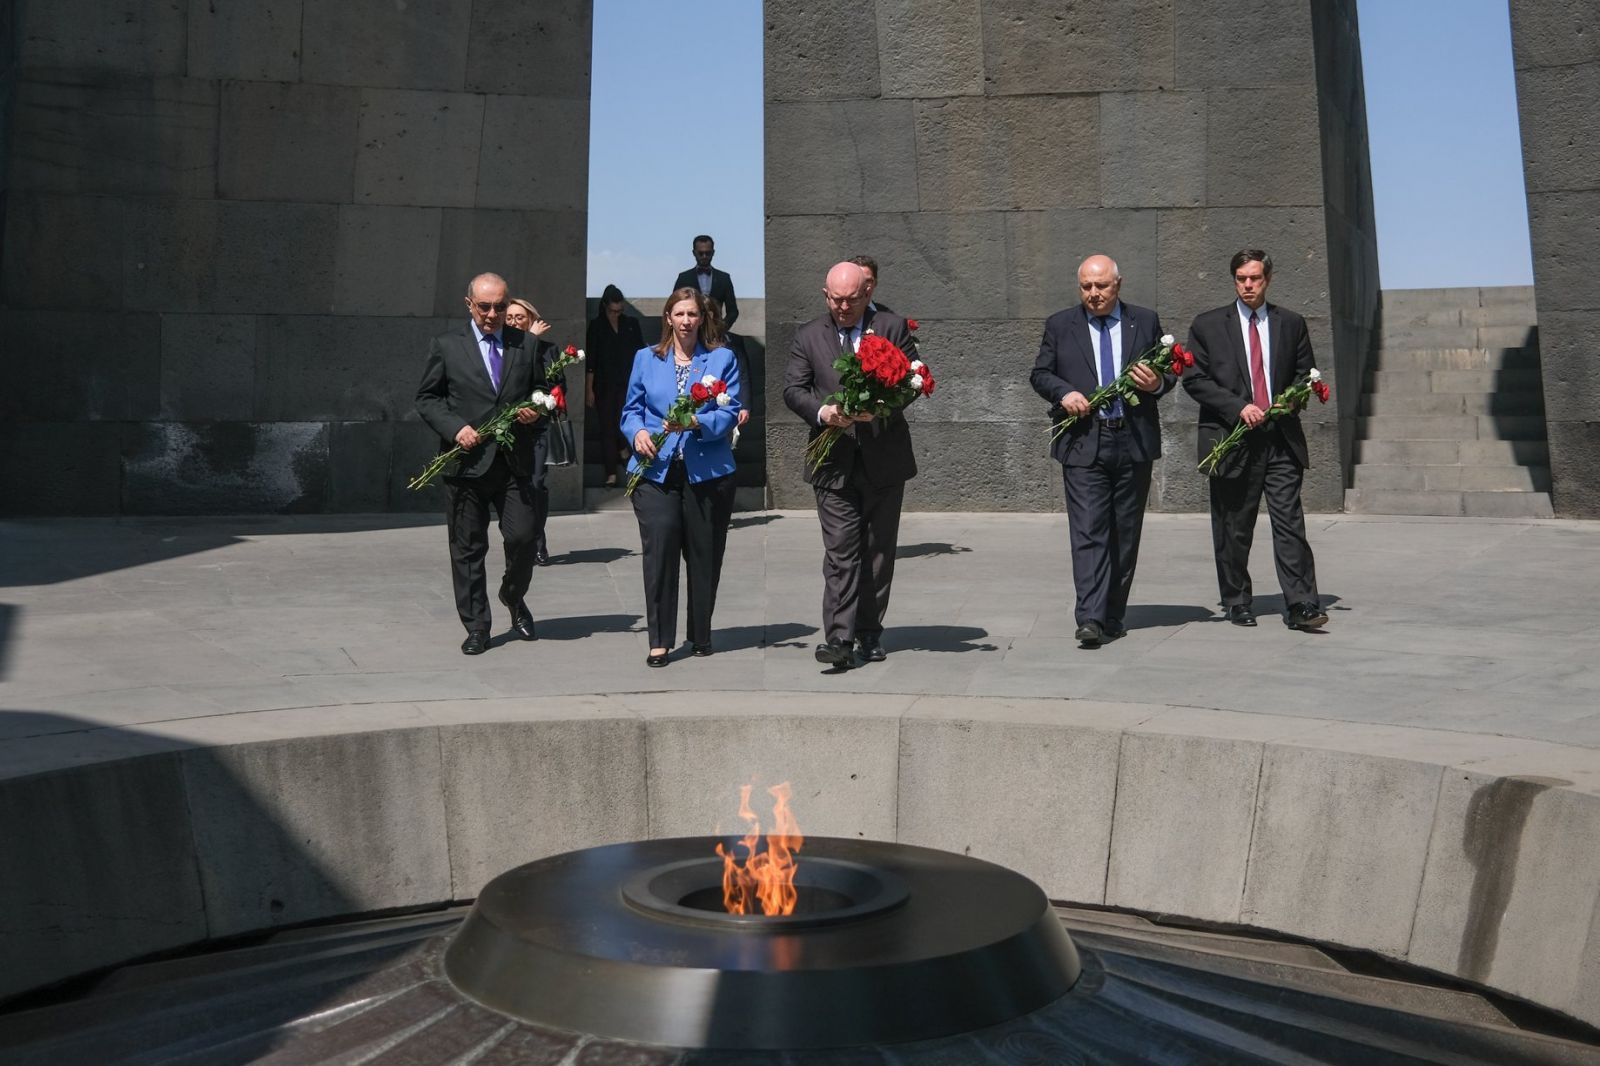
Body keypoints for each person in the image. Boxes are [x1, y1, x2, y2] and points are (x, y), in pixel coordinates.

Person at [1030, 254, 1173, 648]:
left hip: (1133, 439)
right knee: (1089, 530)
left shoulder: (1144, 321)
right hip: (1083, 441)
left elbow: (1171, 373)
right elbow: (1041, 373)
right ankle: (1089, 617)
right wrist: (1065, 393)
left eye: (1101, 286)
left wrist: (1156, 382)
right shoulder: (1061, 325)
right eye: (1086, 287)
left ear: (1118, 284)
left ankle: (1113, 613)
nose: (1093, 294)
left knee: (1125, 533)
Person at [1183, 249, 1328, 631]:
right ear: (1234, 280)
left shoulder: (1291, 323)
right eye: (1241, 279)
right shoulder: (1208, 325)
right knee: (1234, 525)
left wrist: (1286, 402)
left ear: (1268, 279)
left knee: (1290, 524)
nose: (1248, 285)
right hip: (1232, 439)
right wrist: (1238, 407)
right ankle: (1236, 601)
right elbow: (1195, 379)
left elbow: (1305, 375)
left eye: (1255, 278)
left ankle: (1302, 604)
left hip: (1280, 440)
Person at [783, 261, 918, 668]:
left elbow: (913, 379)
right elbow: (793, 389)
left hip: (884, 457)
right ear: (826, 295)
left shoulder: (892, 329)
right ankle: (839, 639)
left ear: (867, 293)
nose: (842, 307)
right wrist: (825, 413)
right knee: (841, 552)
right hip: (832, 459)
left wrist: (879, 406)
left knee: (877, 551)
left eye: (851, 300)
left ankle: (869, 632)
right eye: (835, 299)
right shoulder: (809, 335)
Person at [415, 273, 551, 654]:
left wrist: (534, 409)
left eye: (500, 306)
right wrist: (456, 428)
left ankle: (513, 594)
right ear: (469, 304)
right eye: (485, 306)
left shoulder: (525, 344)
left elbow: (540, 388)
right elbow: (427, 398)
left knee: (524, 538)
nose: (493, 314)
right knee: (468, 549)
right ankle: (477, 625)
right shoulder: (446, 346)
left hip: (513, 463)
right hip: (466, 464)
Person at [622, 286, 742, 667]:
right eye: (680, 314)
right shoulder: (646, 358)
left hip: (707, 471)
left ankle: (700, 633)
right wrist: (637, 432)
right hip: (655, 471)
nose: (687, 321)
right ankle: (659, 639)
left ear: (702, 318)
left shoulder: (722, 359)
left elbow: (729, 412)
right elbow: (631, 410)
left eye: (693, 315)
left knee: (704, 554)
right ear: (668, 319)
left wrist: (696, 421)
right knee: (659, 549)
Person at [504, 297, 560, 565]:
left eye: (520, 317)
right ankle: (518, 543)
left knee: (537, 484)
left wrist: (532, 344)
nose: (514, 322)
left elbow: (554, 386)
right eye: (510, 318)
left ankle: (539, 541)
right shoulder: (501, 347)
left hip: (538, 429)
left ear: (532, 320)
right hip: (508, 429)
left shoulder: (547, 349)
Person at [586, 284, 645, 488]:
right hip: (604, 383)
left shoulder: (631, 324)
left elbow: (641, 353)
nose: (616, 314)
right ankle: (611, 471)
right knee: (607, 427)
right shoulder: (597, 326)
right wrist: (589, 390)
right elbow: (591, 361)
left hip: (628, 383)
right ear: (604, 307)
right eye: (612, 310)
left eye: (620, 311)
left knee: (624, 422)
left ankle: (624, 450)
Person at [673, 234, 739, 331]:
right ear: (694, 253)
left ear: (713, 252)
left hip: (716, 331)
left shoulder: (724, 278)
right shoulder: (684, 278)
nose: (704, 256)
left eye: (707, 253)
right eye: (701, 253)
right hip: (690, 329)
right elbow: (674, 306)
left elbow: (733, 311)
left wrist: (722, 328)